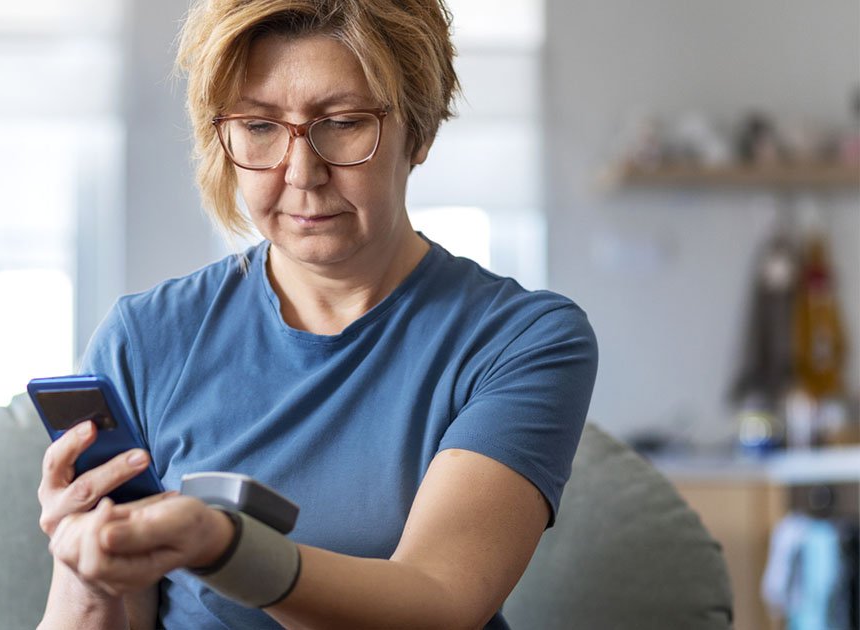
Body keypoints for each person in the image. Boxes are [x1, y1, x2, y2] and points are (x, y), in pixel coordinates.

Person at [37, 1, 598, 628]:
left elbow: (440, 602)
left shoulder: (522, 340)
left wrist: (225, 547)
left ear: (420, 132)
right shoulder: (142, 340)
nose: (301, 173)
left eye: (343, 123)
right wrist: (88, 571)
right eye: (259, 127)